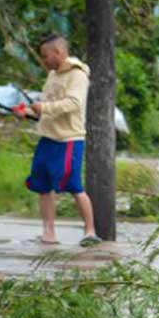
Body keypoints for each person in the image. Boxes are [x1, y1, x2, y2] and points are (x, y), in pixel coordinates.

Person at [19, 34, 99, 246]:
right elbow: (46, 106)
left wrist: (43, 107)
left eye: (46, 56)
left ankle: (90, 231)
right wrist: (28, 112)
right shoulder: (52, 75)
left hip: (68, 139)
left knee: (74, 185)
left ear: (59, 52)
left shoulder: (77, 75)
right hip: (47, 137)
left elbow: (73, 103)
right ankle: (48, 233)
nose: (44, 60)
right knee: (42, 184)